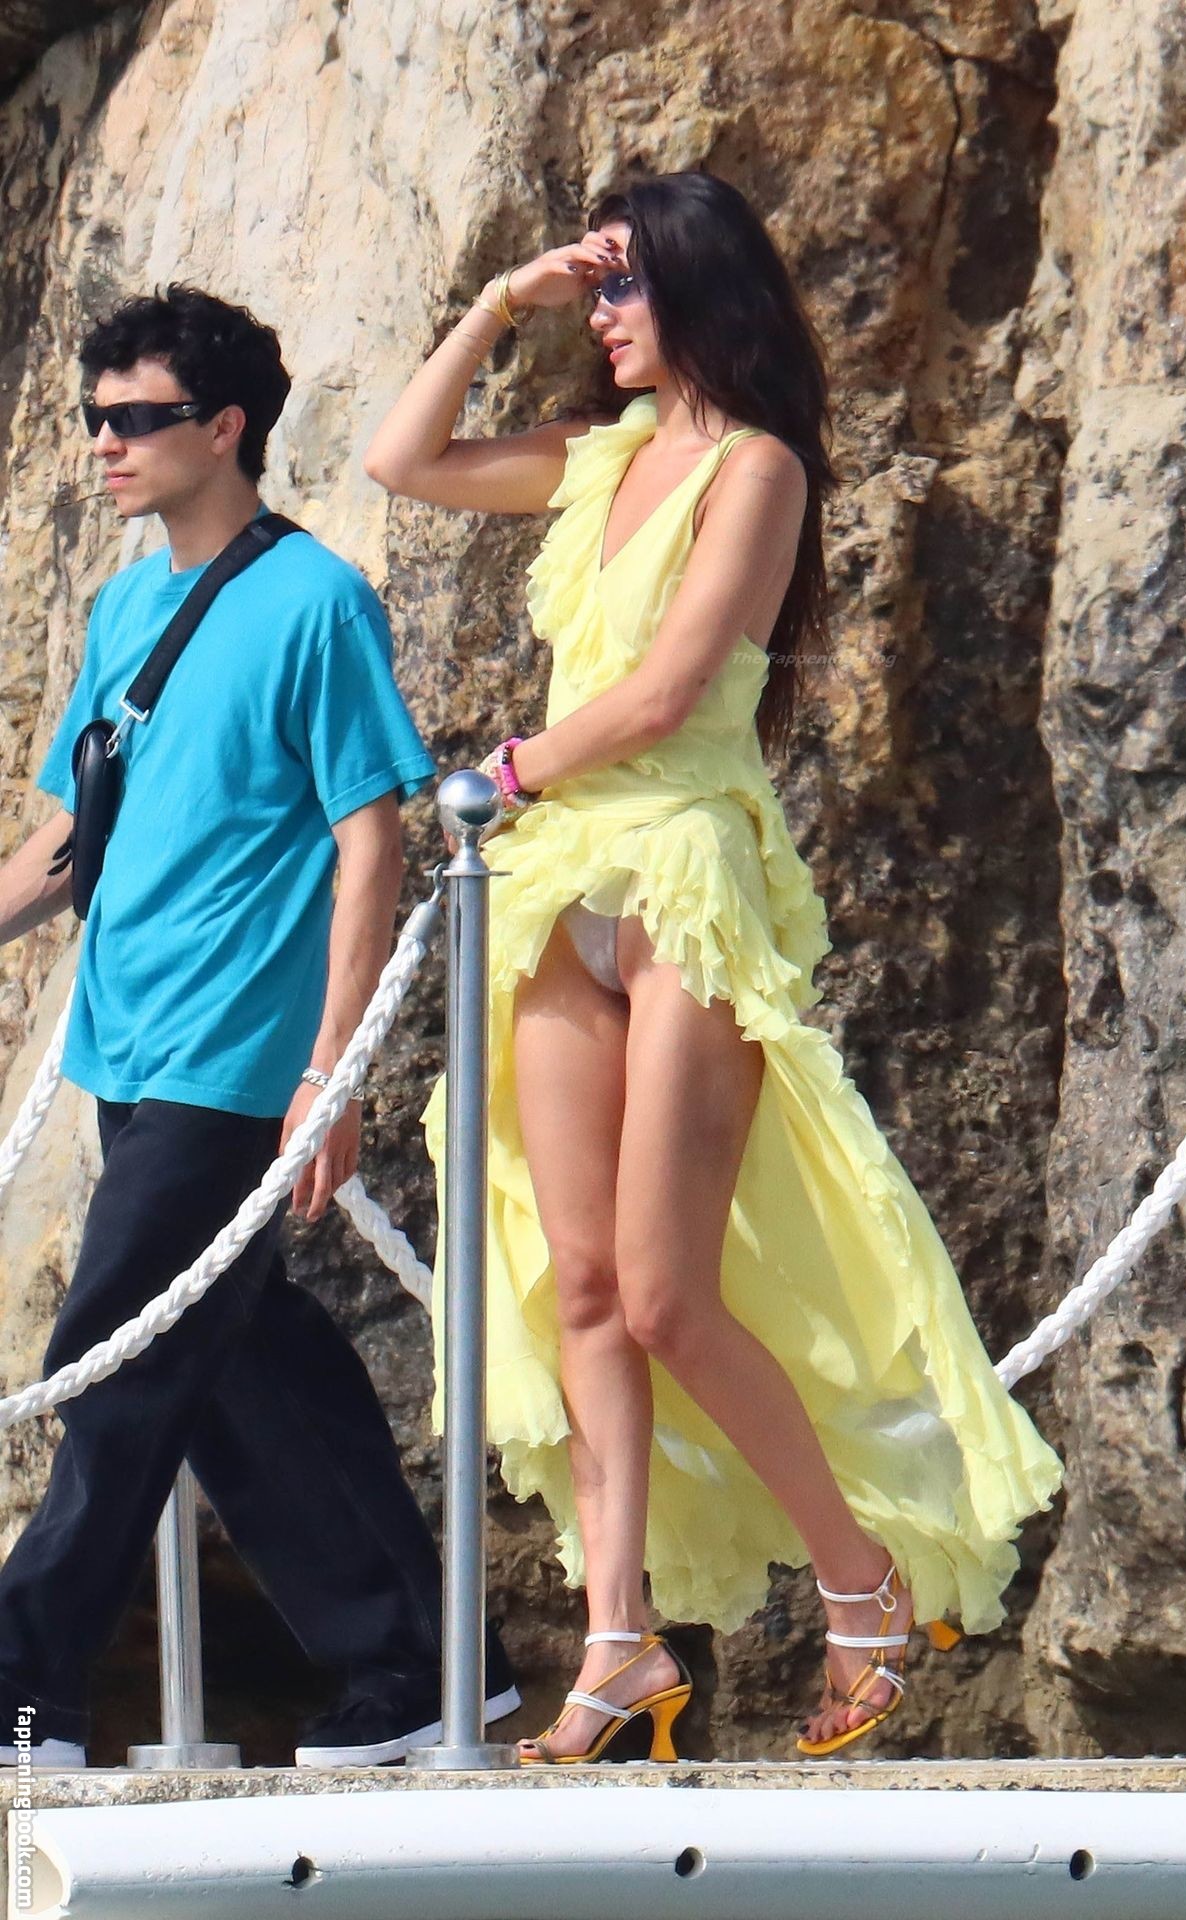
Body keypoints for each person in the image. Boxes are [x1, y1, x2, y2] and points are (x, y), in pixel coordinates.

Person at [365, 171, 1062, 1763]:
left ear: (698, 288)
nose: (602, 311)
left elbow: (672, 689)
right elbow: (401, 460)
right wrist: (504, 302)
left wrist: (508, 771)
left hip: (679, 866)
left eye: (623, 283)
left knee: (669, 1290)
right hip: (559, 884)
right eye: (596, 284)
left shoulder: (760, 467)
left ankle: (860, 1584)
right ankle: (618, 1645)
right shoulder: (597, 454)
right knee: (585, 1287)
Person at [0, 284, 518, 1769]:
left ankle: (24, 1687)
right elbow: (70, 837)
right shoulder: (124, 611)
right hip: (127, 1040)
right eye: (93, 419)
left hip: (235, 1054)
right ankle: (420, 1668)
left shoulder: (316, 601)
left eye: (136, 419)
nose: (105, 444)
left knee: (114, 1351)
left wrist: (329, 1068)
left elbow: (371, 835)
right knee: (242, 1365)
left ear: (225, 427)